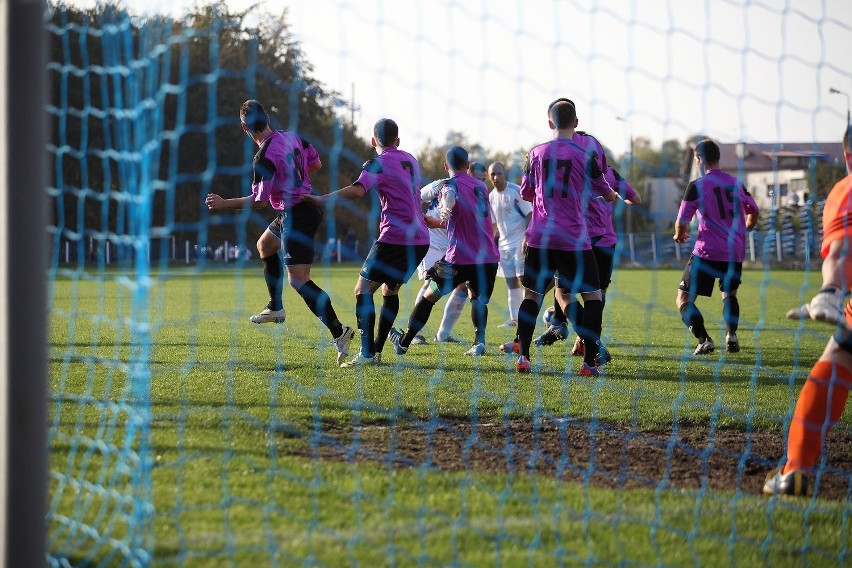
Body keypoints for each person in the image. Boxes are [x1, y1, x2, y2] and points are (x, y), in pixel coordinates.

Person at [205, 99, 354, 365]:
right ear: (268, 119)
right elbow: (315, 163)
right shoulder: (291, 136)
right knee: (265, 245)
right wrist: (292, 178)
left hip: (298, 213)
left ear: (243, 127)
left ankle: (338, 331)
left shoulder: (262, 157)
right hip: (296, 208)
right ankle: (275, 307)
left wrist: (225, 203)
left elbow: (260, 200)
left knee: (298, 280)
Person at [764, 125, 852, 497]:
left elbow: (841, 250)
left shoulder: (845, 190)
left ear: (847, 155)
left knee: (838, 360)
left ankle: (796, 469)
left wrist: (830, 291)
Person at [307, 118, 429, 367]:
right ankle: (377, 352)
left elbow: (357, 190)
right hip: (420, 239)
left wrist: (321, 199)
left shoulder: (377, 163)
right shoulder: (412, 160)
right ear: (398, 141)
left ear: (373, 141)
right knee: (389, 290)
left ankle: (366, 354)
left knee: (362, 290)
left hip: (395, 238)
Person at [513, 99, 619, 375]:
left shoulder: (534, 153)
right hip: (574, 238)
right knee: (593, 296)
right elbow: (605, 192)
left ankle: (523, 357)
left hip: (540, 238)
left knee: (532, 296)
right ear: (576, 123)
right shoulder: (586, 156)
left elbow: (526, 193)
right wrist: (607, 194)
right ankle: (588, 363)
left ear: (550, 123)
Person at [388, 147, 499, 356]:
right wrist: (441, 222)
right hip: (487, 257)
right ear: (468, 166)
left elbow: (449, 197)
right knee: (478, 299)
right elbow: (472, 220)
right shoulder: (482, 187)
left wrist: (444, 212)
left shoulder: (449, 185)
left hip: (460, 258)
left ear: (446, 166)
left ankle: (404, 341)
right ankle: (479, 343)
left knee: (429, 296)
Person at [535, 163, 641, 359]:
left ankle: (587, 340)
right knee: (596, 296)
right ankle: (575, 336)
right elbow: (635, 199)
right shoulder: (610, 172)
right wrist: (617, 197)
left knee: (562, 293)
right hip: (607, 243)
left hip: (579, 241)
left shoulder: (575, 168)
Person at [673, 139, 759, 355]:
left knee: (683, 299)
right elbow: (754, 210)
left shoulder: (697, 185)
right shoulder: (736, 183)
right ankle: (731, 334)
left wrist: (679, 235)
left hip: (707, 251)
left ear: (699, 159)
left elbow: (683, 221)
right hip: (734, 251)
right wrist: (748, 226)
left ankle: (704, 339)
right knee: (729, 293)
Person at [488, 161, 533, 328]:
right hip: (504, 246)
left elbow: (530, 214)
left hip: (520, 242)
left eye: (498, 173)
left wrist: (526, 238)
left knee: (523, 280)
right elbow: (494, 225)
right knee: (510, 281)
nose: (495, 177)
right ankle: (514, 319)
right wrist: (492, 245)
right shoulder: (491, 197)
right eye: (492, 174)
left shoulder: (516, 191)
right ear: (489, 176)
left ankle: (526, 317)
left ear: (504, 173)